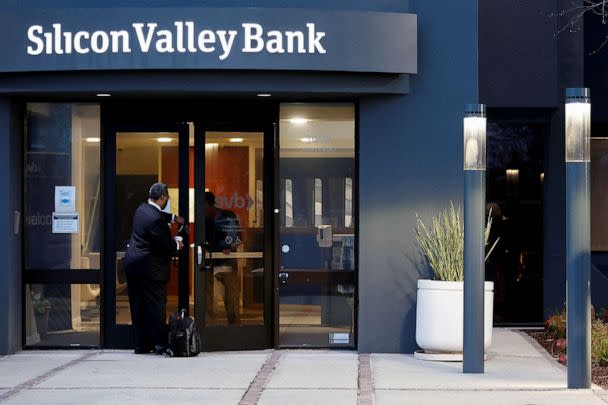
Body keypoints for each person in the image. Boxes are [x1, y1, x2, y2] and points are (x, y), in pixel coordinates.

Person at [122, 183, 183, 354]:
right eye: (167, 199)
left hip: (133, 266)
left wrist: (173, 217)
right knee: (156, 306)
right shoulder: (155, 220)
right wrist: (177, 245)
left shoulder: (141, 210)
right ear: (163, 197)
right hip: (150, 269)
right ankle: (159, 344)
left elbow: (157, 215)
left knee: (138, 305)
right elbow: (164, 245)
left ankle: (141, 344)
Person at [204, 191, 242, 324]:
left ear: (209, 205)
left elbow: (237, 237)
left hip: (226, 260)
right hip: (209, 260)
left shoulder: (228, 217)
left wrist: (230, 248)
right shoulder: (204, 220)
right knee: (206, 295)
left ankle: (234, 326)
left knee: (231, 295)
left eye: (203, 207)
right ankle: (207, 325)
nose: (202, 211)